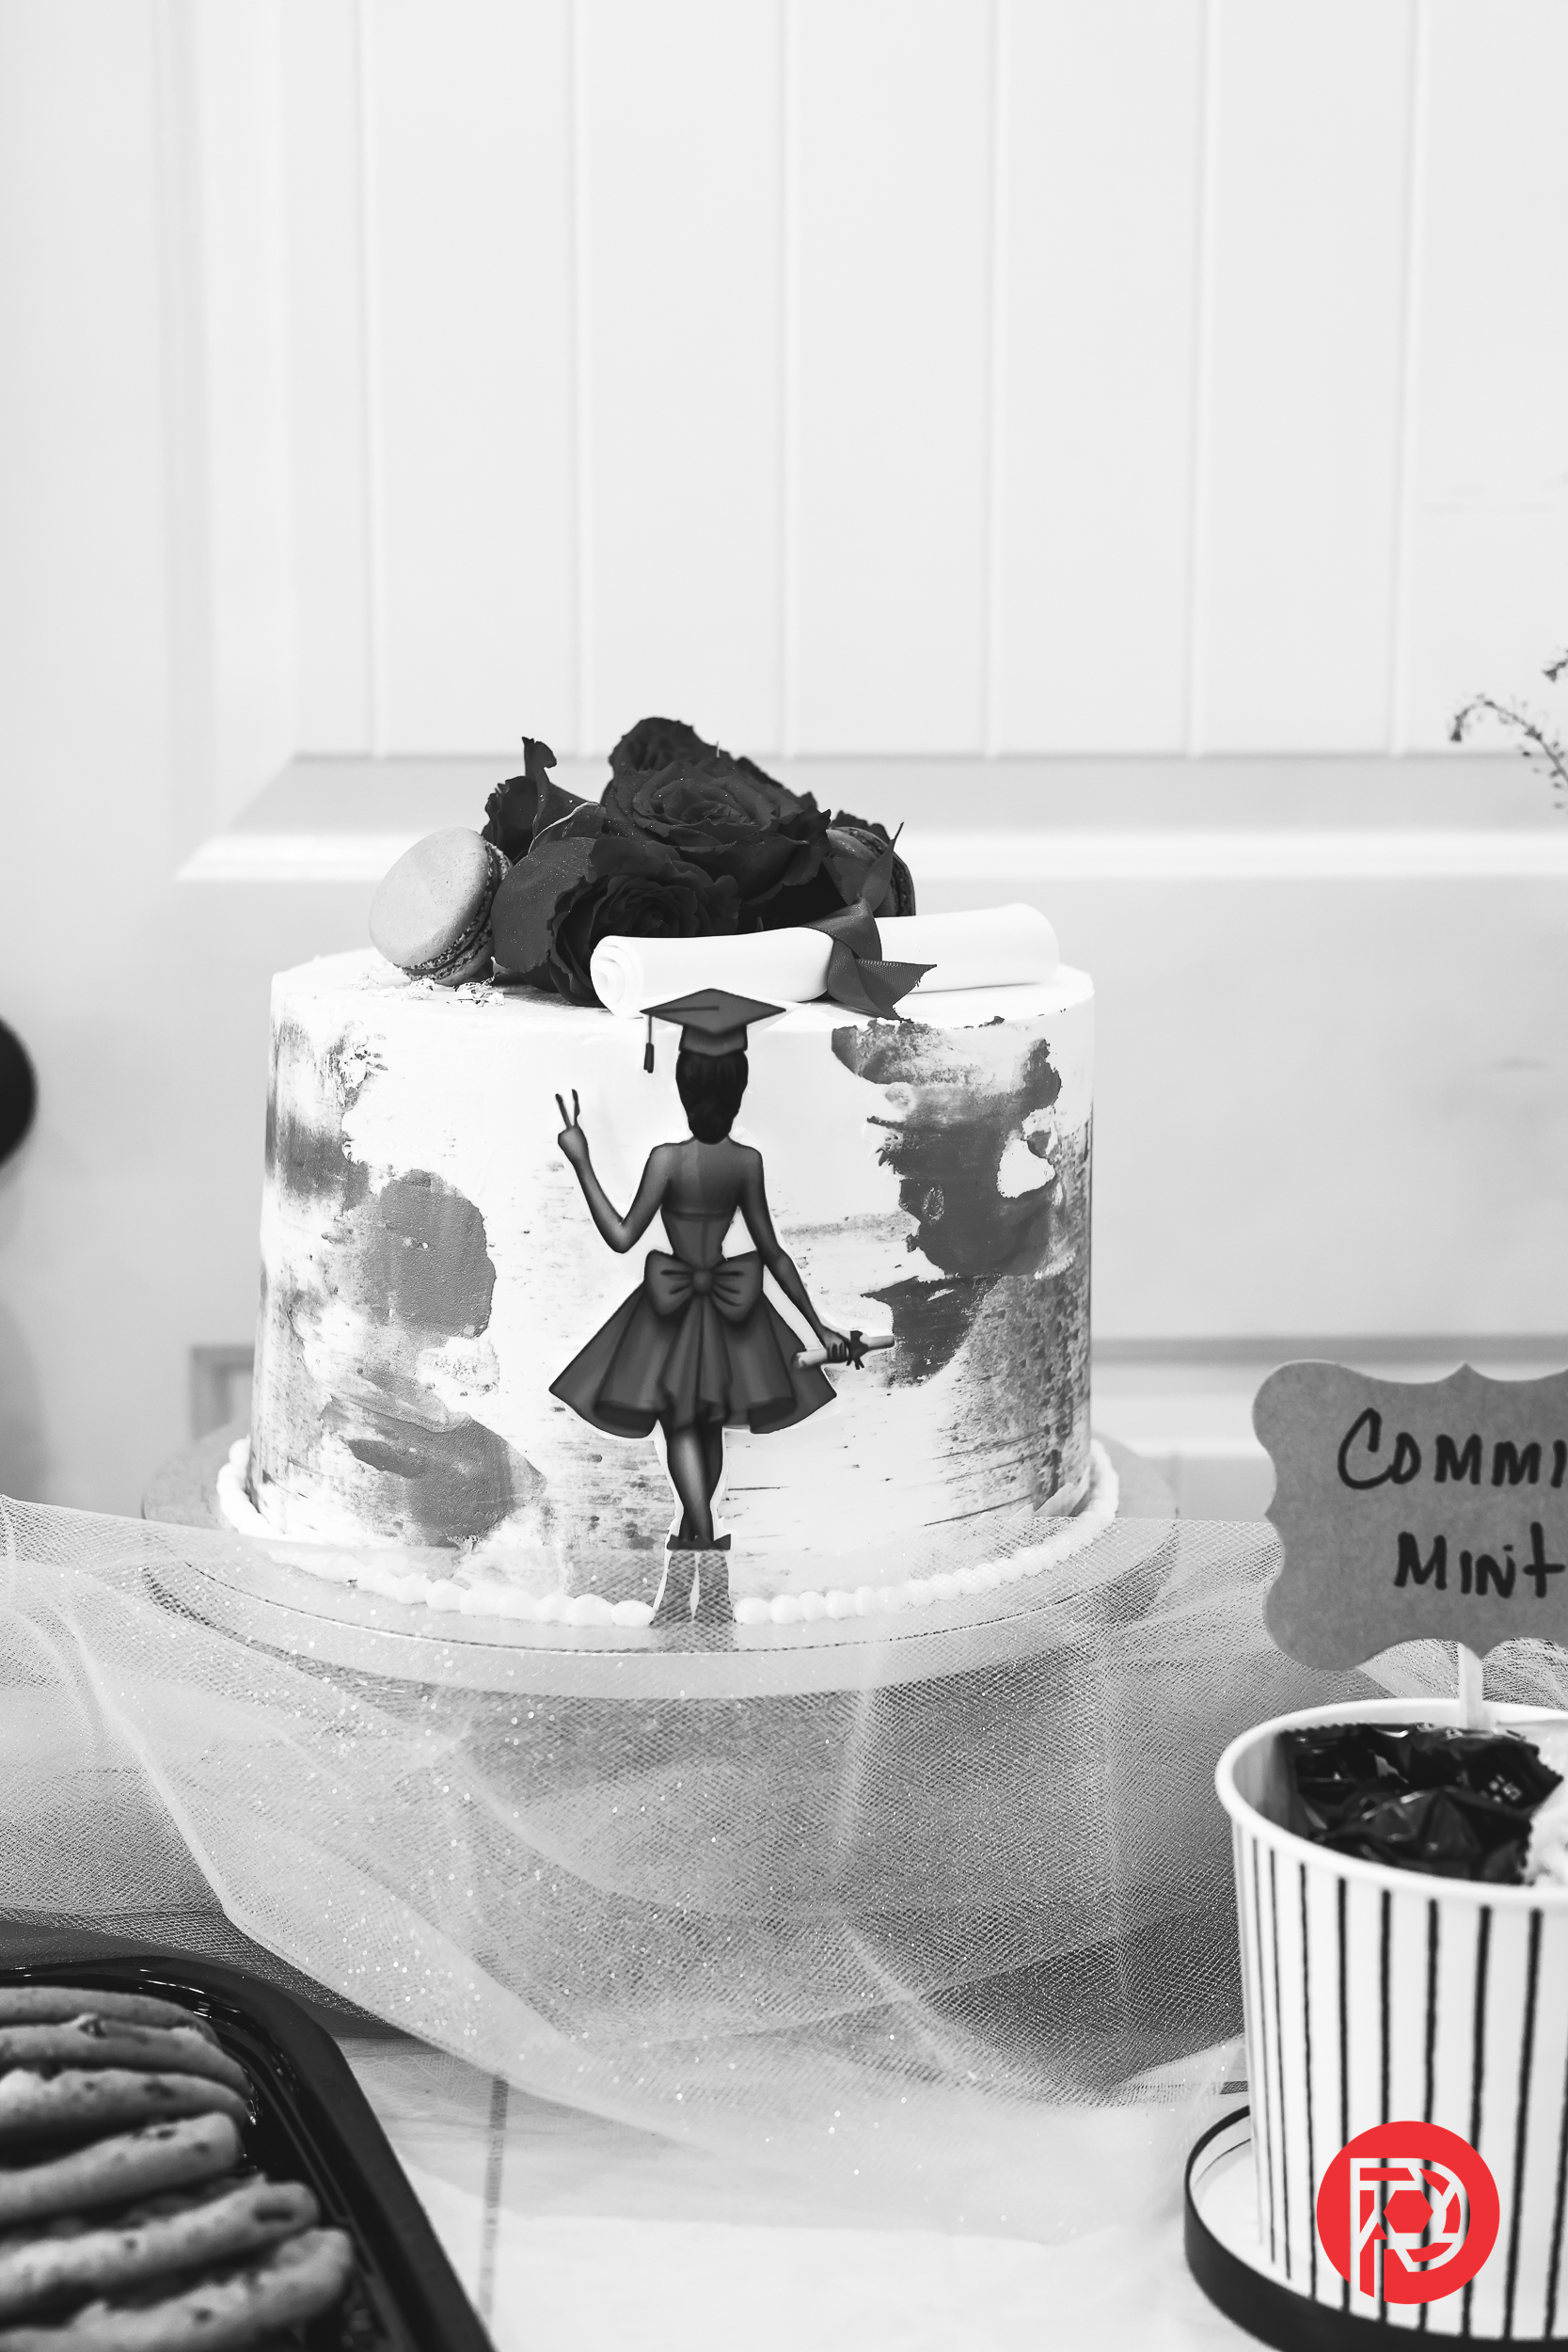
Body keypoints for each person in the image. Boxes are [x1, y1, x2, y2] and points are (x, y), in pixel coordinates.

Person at [550, 990, 850, 1625]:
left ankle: (695, 1575)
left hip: (671, 1314)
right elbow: (773, 1253)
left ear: (684, 1087)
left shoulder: (667, 1160)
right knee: (701, 1429)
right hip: (729, 1314)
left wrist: (581, 1160)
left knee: (686, 1429)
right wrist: (815, 1323)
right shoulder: (745, 1162)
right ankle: (706, 1587)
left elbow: (622, 1236)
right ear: (738, 1090)